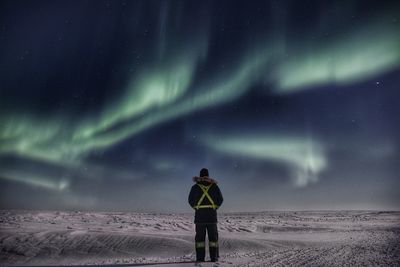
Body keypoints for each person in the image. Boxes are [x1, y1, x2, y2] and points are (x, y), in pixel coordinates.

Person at [188, 168, 223, 262]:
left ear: (200, 176)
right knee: (213, 240)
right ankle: (214, 258)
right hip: (212, 217)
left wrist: (197, 207)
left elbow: (190, 200)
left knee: (200, 240)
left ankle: (200, 258)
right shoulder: (214, 186)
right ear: (208, 175)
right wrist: (214, 207)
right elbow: (220, 199)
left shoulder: (195, 187)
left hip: (199, 218)